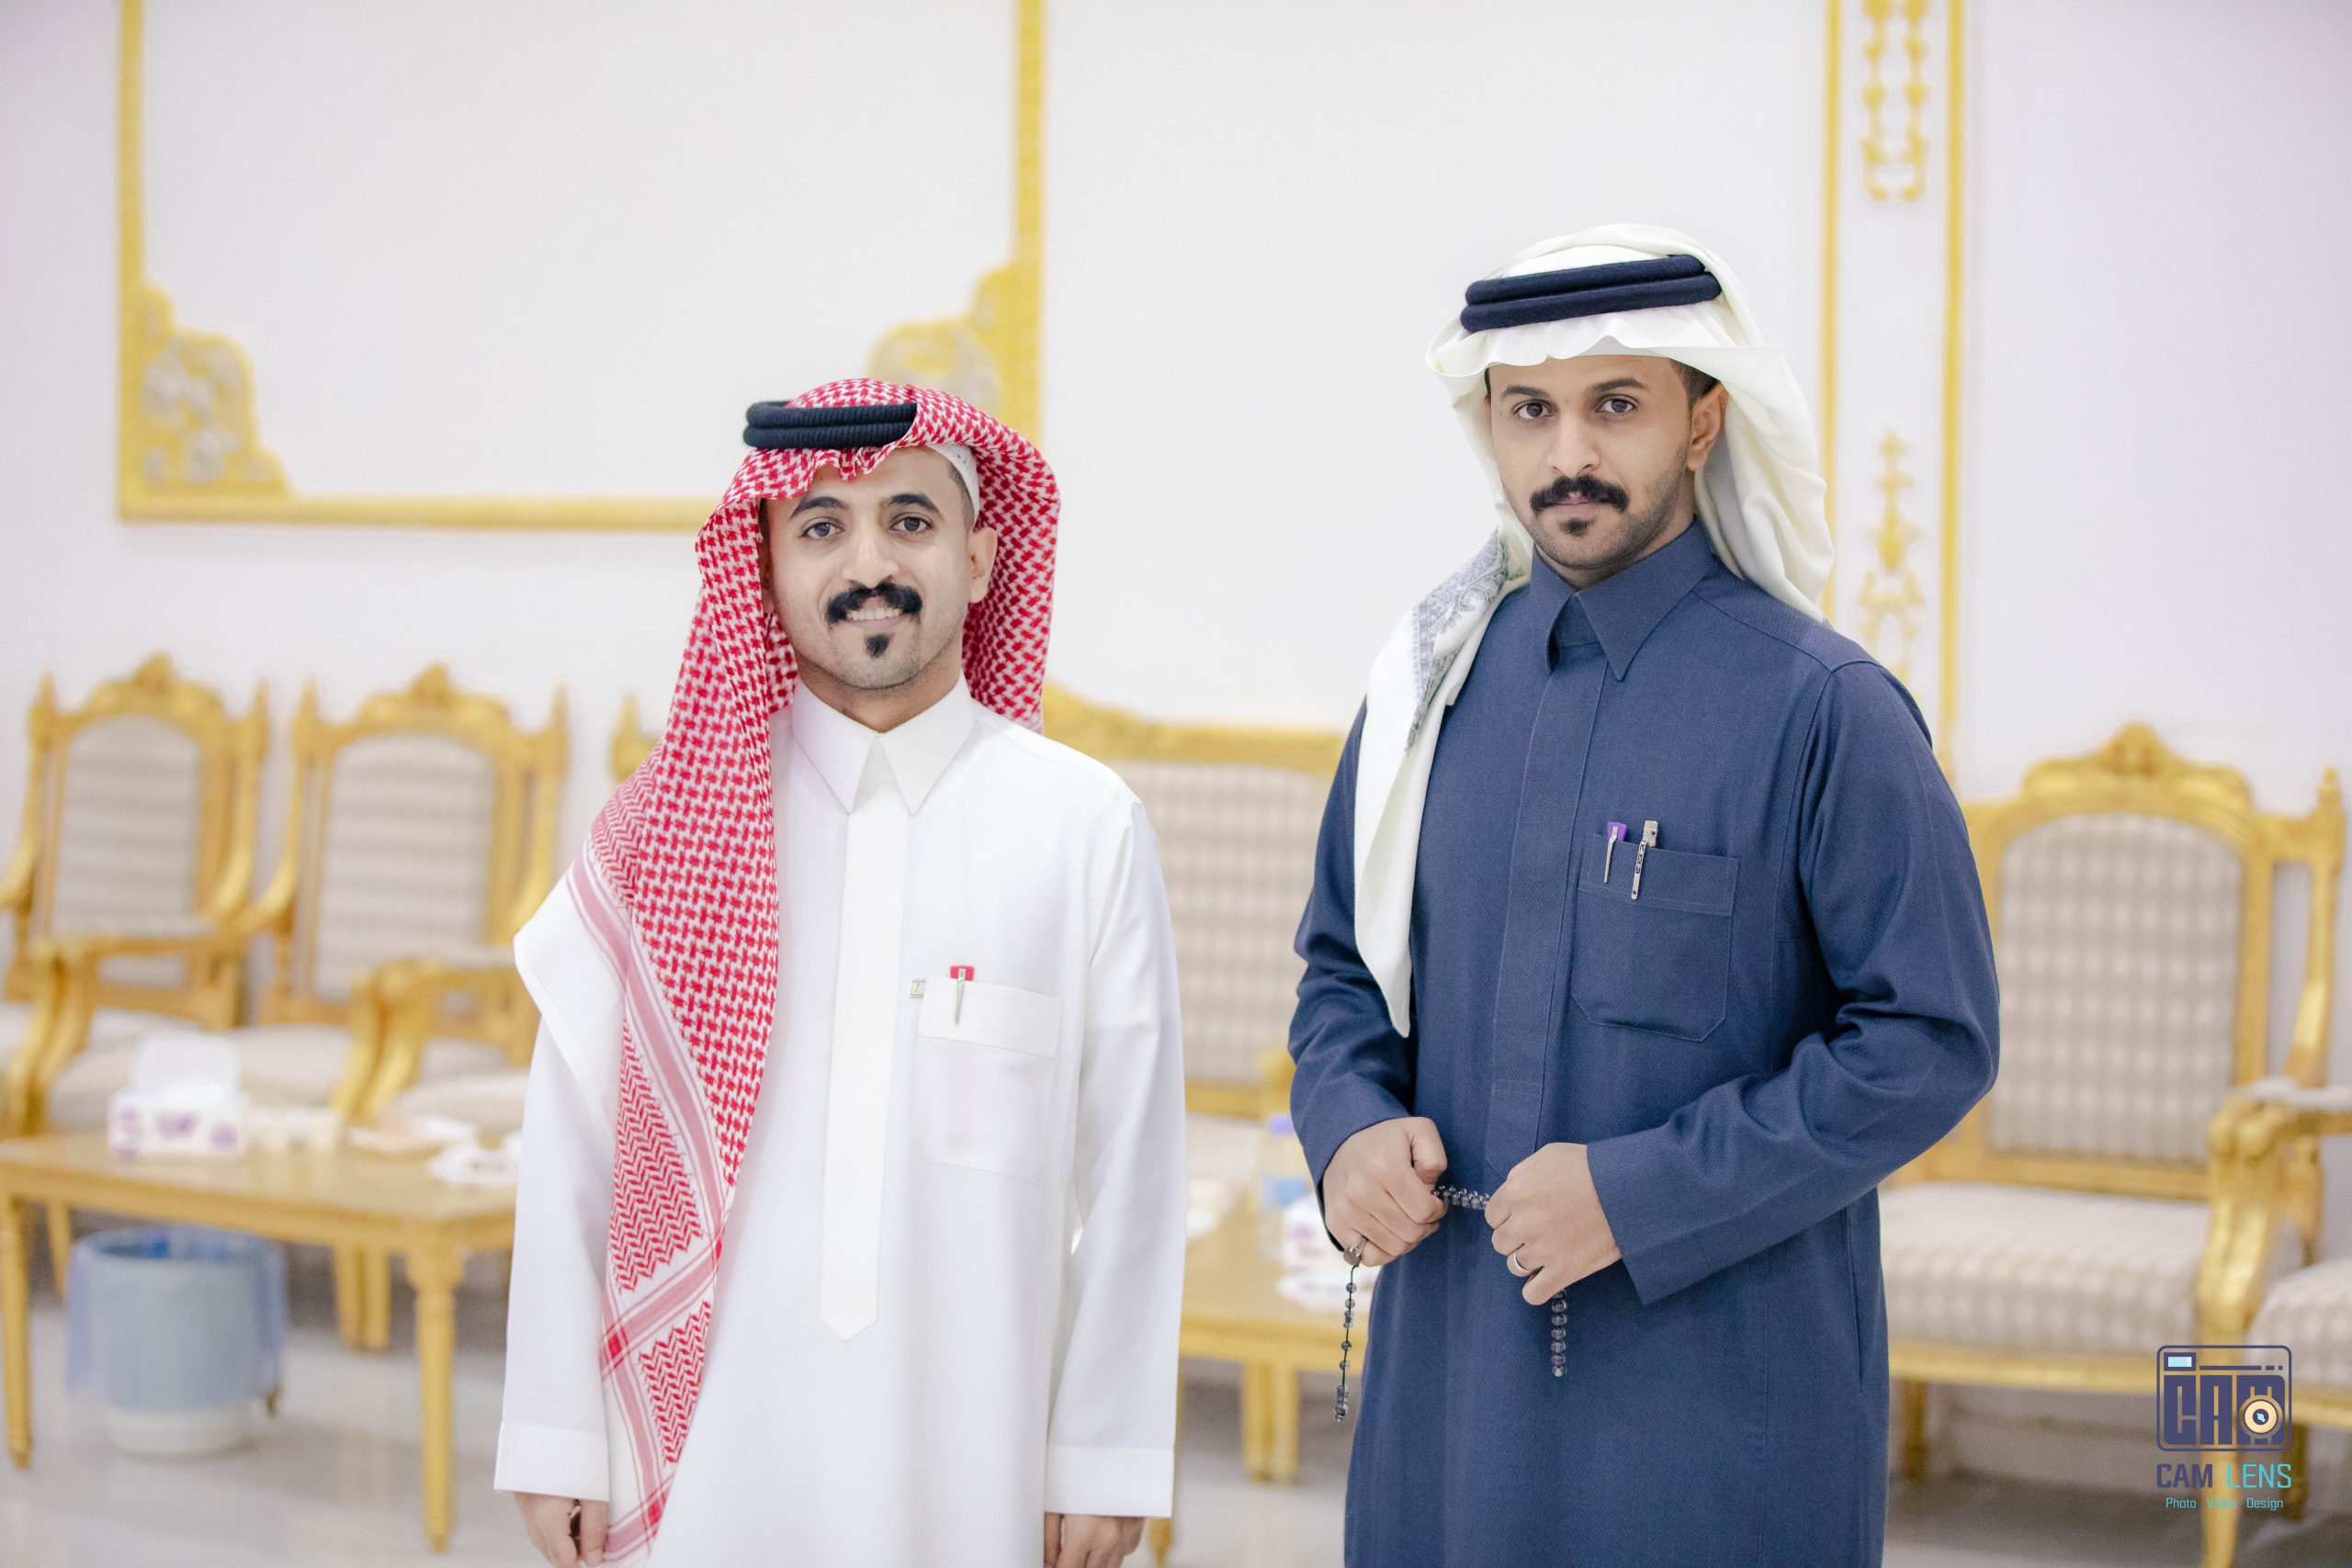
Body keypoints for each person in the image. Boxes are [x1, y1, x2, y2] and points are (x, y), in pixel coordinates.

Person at [1288, 226, 2000, 1565]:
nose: (1569, 454)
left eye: (1616, 405)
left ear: (1703, 421)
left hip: (1712, 1402)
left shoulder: (1824, 708)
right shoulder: (1426, 690)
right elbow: (1341, 970)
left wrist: (1643, 1194)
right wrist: (1347, 1130)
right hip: (1446, 1386)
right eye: (1531, 411)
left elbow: (1929, 1041)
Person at [494, 381, 1185, 1568]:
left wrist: (1102, 1457)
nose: (870, 564)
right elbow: (572, 1148)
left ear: (980, 558)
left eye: (910, 521)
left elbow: (1133, 1174)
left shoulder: (1082, 828)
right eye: (821, 527)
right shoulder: (667, 833)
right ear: (763, 566)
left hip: (975, 1454)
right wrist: (558, 1430)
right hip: (716, 1455)